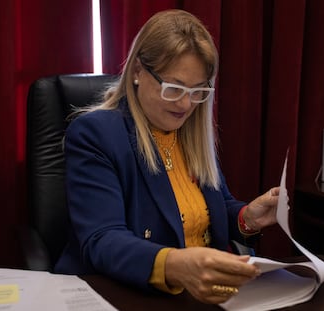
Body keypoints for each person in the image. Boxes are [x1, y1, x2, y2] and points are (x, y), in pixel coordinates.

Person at [54, 9, 279, 305]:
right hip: (124, 294)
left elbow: (212, 209)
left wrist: (247, 217)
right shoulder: (96, 134)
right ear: (137, 71)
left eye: (198, 91)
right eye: (174, 88)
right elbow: (102, 240)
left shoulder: (190, 134)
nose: (186, 104)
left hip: (202, 296)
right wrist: (176, 265)